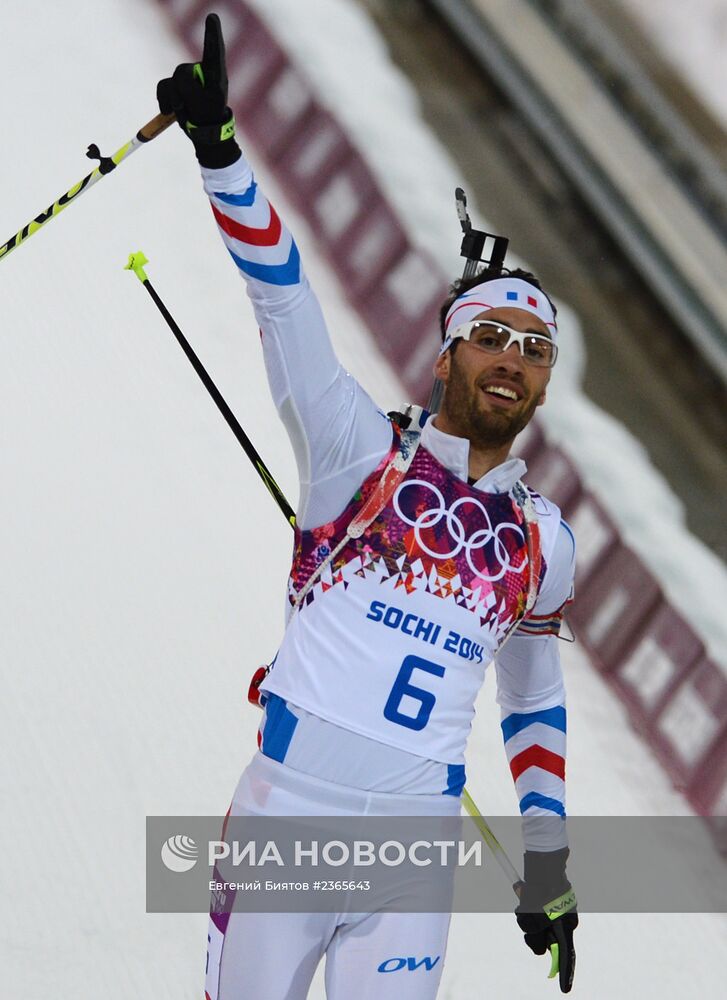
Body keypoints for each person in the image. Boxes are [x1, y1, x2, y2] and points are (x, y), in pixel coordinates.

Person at [157, 14, 578, 999]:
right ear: (447, 355)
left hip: (413, 851)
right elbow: (284, 298)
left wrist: (551, 864)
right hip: (289, 814)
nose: (512, 357)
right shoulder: (355, 451)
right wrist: (221, 155)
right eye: (492, 335)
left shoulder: (538, 541)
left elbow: (532, 699)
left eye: (535, 347)